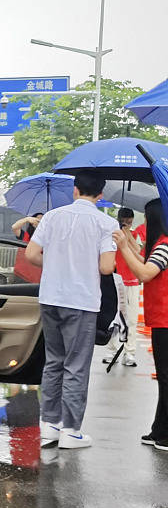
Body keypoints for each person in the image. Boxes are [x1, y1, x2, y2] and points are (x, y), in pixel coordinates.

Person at [25, 171, 117, 450]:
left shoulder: (52, 217)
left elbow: (31, 254)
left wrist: (56, 265)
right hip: (82, 301)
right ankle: (71, 430)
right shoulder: (106, 223)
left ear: (75, 190)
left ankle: (49, 426)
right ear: (100, 195)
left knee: (54, 361)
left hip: (50, 297)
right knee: (76, 366)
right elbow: (106, 267)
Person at [113, 199, 168, 450]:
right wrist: (128, 244)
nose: (144, 223)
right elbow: (143, 258)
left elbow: (145, 273)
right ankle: (159, 429)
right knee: (164, 377)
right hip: (161, 319)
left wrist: (124, 246)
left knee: (166, 378)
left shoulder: (165, 245)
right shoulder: (160, 244)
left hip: (165, 320)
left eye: (146, 218)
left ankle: (165, 434)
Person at [104, 207, 140, 367]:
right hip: (116, 280)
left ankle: (129, 353)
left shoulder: (134, 234)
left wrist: (128, 235)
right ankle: (111, 351)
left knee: (131, 319)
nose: (127, 224)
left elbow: (138, 251)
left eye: (129, 222)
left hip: (132, 281)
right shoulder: (111, 234)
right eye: (125, 221)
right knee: (114, 319)